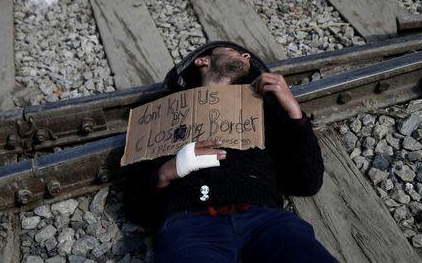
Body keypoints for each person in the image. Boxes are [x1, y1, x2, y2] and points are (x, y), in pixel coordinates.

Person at [123, 41, 337, 262]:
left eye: (245, 54)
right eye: (233, 51)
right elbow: (134, 207)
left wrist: (294, 112)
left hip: (264, 220)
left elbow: (308, 182)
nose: (245, 54)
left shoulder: (264, 111)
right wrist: (164, 174)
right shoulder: (164, 113)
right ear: (202, 60)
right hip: (192, 224)